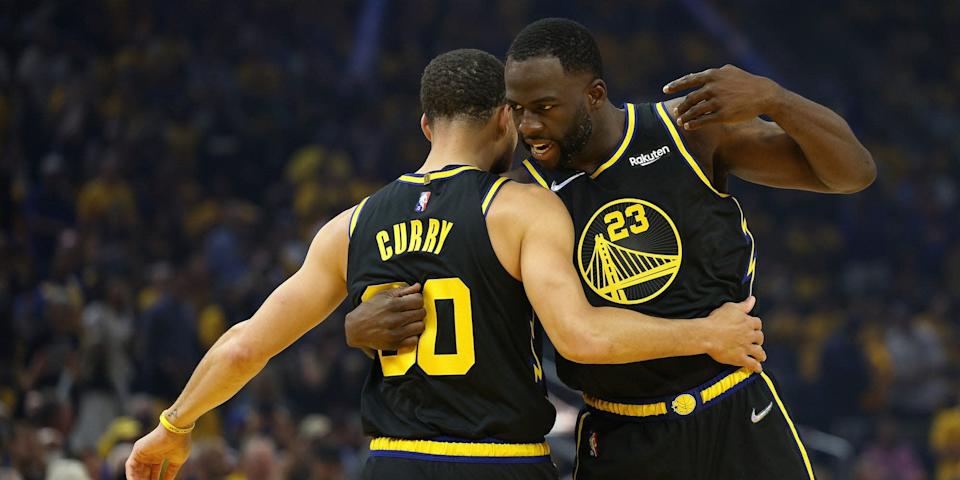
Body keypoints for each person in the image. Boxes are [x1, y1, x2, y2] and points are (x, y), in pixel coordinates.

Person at [124, 49, 765, 480]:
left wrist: (173, 426)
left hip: (395, 461)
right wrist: (708, 333)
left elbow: (243, 348)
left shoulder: (350, 226)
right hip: (501, 460)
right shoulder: (522, 211)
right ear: (504, 120)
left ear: (426, 126)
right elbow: (584, 337)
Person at [346, 18, 876, 480]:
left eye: (545, 108)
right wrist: (355, 326)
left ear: (594, 95)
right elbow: (440, 264)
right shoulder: (517, 193)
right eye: (518, 110)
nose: (529, 126)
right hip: (619, 431)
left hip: (732, 408)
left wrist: (776, 99)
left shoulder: (688, 132)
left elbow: (853, 174)